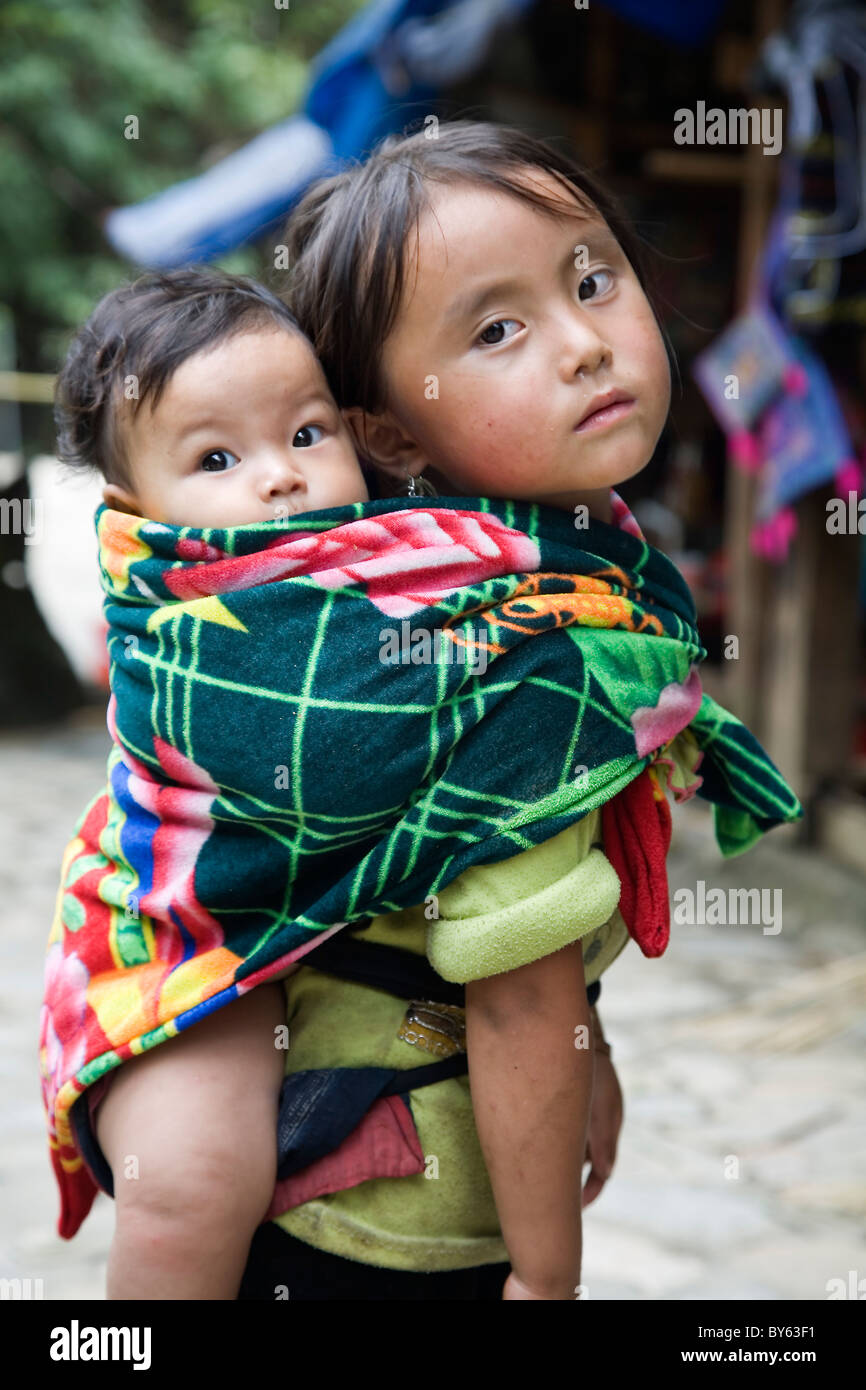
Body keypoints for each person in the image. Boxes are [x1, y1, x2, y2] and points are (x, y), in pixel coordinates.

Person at [233, 117, 710, 1301]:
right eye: (497, 331)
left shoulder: (533, 567)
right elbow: (518, 995)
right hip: (393, 1220)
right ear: (392, 433)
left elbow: (550, 979)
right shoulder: (514, 648)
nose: (584, 344)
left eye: (590, 279)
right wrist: (547, 1283)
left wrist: (586, 1046)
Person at [49, 267, 374, 1298]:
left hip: (345, 934)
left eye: (308, 432)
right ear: (135, 507)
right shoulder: (175, 603)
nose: (279, 477)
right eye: (218, 456)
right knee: (193, 1176)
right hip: (192, 922)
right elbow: (322, 749)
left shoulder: (420, 558)